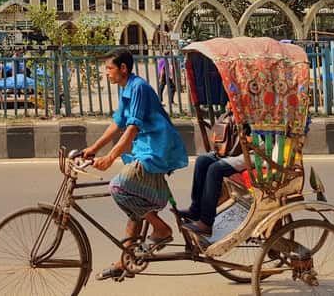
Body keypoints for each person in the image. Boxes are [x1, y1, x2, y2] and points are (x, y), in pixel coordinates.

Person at [83, 49, 188, 281]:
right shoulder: (126, 89)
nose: (106, 74)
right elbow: (117, 123)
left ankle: (161, 229)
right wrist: (92, 148)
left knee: (119, 187)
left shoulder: (138, 87)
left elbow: (132, 128)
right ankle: (125, 261)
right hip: (144, 147)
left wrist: (109, 157)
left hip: (156, 148)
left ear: (123, 68)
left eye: (109, 69)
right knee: (135, 207)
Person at [179, 109, 248, 236]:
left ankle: (206, 222)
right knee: (202, 160)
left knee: (215, 169)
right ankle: (196, 210)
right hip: (236, 149)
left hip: (255, 152)